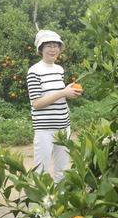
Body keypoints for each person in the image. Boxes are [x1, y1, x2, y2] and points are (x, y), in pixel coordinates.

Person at [27, 30, 82, 182]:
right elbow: (36, 103)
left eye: (56, 46)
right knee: (41, 171)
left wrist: (70, 90)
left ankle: (60, 204)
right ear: (41, 49)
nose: (53, 49)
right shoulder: (34, 72)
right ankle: (40, 205)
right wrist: (63, 92)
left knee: (62, 172)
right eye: (48, 46)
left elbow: (57, 93)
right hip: (45, 129)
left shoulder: (59, 69)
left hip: (63, 126)